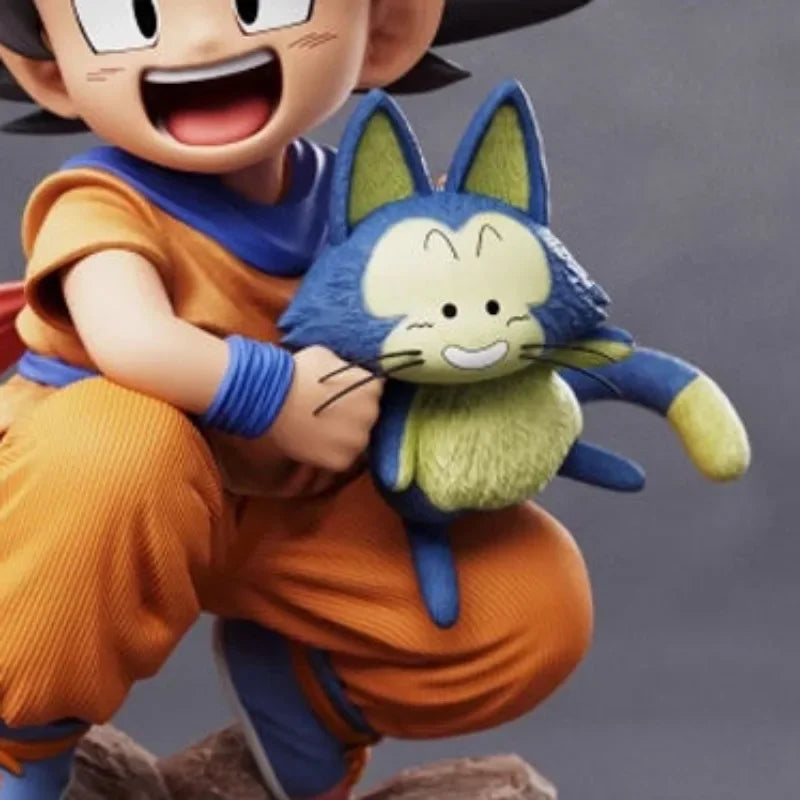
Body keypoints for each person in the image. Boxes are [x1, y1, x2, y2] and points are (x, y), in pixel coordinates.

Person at [0, 2, 596, 798]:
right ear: (48, 70)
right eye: (127, 15)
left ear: (386, 31)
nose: (205, 41)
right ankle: (24, 746)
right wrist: (272, 393)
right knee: (115, 445)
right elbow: (131, 340)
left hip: (295, 504)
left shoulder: (355, 205)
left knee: (528, 598)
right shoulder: (102, 201)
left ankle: (306, 696)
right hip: (107, 506)